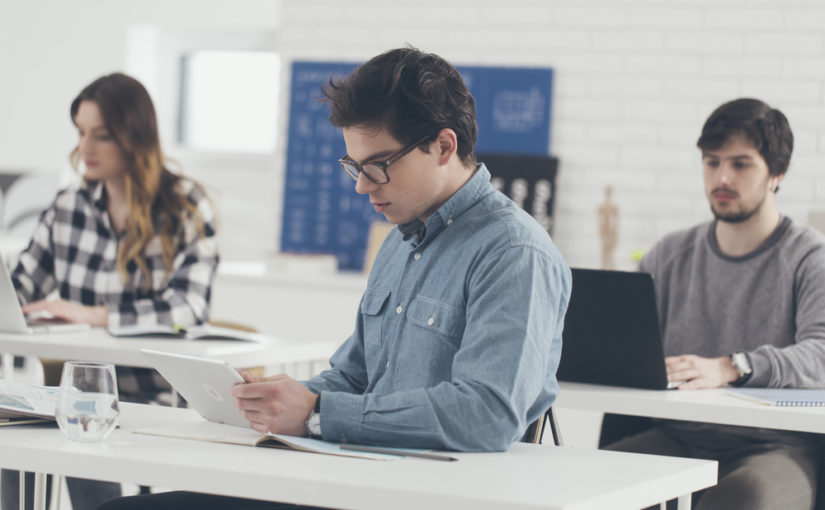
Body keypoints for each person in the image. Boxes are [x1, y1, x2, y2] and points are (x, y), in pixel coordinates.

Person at [98, 46, 571, 510]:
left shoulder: (513, 252)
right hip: (344, 482)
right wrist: (285, 398)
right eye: (354, 167)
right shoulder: (399, 242)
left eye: (378, 166)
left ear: (444, 146)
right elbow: (354, 375)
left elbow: (486, 415)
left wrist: (318, 414)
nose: (363, 185)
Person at [2, 72, 219, 510]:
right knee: (10, 438)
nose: (85, 149)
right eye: (81, 133)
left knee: (86, 438)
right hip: (77, 390)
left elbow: (190, 307)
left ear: (134, 137)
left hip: (156, 393)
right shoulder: (69, 206)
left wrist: (93, 314)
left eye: (101, 136)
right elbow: (21, 286)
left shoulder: (185, 206)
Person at [604, 98, 825, 510]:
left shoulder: (809, 257)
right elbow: (623, 345)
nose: (722, 177)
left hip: (776, 447)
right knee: (597, 480)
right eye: (712, 162)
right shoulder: (668, 255)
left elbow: (821, 355)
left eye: (741, 164)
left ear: (776, 174)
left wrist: (732, 366)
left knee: (743, 498)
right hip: (680, 437)